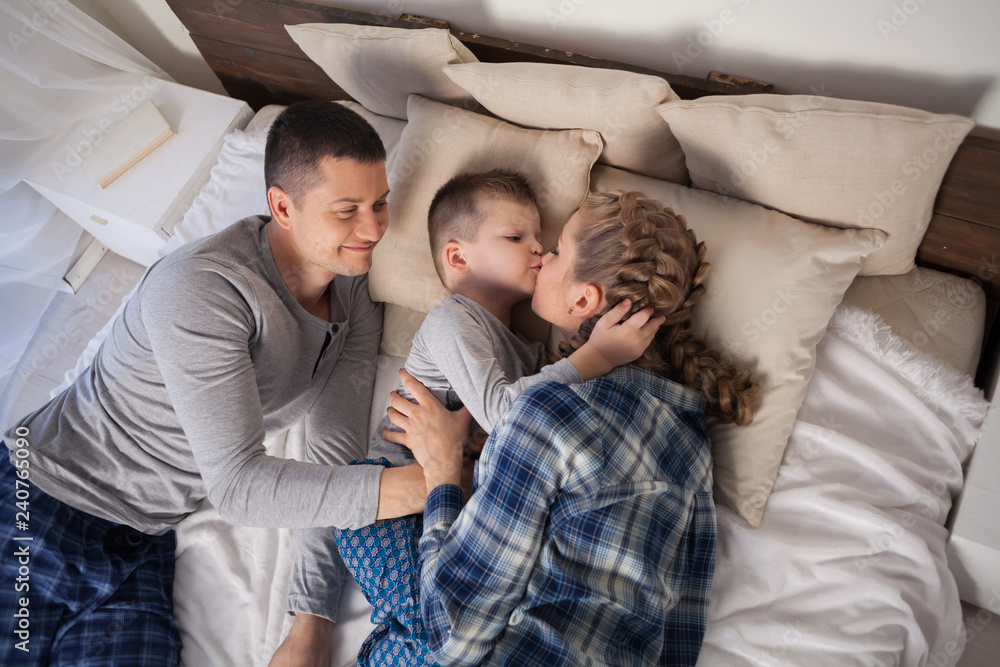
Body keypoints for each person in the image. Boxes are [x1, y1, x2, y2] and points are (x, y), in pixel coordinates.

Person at [1, 100, 426, 666]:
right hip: (42, 503)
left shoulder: (351, 292)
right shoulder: (203, 291)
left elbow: (336, 457)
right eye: (347, 210)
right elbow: (240, 486)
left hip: (145, 540)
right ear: (282, 206)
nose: (372, 229)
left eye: (380, 204)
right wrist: (430, 484)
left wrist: (311, 621)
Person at [385, 191, 760, 665]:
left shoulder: (543, 414)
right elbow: (679, 640)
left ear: (584, 299)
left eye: (557, 249)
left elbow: (450, 637)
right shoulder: (691, 439)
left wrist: (442, 476)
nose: (541, 258)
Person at [330, 170, 664, 666]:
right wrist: (596, 356)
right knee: (435, 631)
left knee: (456, 627)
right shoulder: (452, 319)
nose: (539, 251)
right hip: (385, 500)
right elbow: (506, 414)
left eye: (541, 239)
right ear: (459, 256)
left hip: (451, 505)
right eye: (516, 237)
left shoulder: (530, 354)